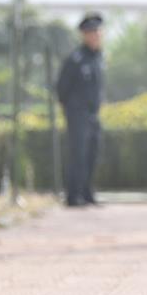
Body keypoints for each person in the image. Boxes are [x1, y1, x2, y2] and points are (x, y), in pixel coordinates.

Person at [56, 13, 105, 207]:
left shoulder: (98, 57)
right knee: (79, 154)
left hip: (93, 113)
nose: (95, 36)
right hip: (77, 113)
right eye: (90, 32)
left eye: (97, 32)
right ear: (84, 35)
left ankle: (87, 193)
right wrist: (71, 109)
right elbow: (62, 87)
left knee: (93, 154)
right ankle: (73, 195)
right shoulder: (76, 59)